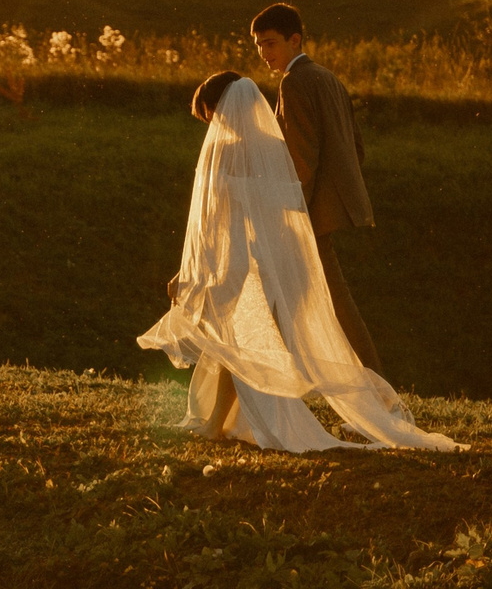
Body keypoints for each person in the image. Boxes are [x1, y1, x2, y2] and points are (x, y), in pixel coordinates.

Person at [138, 71, 455, 453]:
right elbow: (288, 205)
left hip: (241, 259)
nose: (212, 124)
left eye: (211, 115)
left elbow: (214, 224)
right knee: (236, 345)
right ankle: (214, 422)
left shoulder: (224, 152)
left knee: (233, 343)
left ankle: (215, 423)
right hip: (278, 259)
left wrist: (189, 273)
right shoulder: (274, 147)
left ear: (220, 108)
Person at [251, 2, 383, 374]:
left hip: (308, 214)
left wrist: (291, 215)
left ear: (295, 40)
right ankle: (265, 390)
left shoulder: (294, 82)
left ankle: (378, 395)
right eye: (259, 45)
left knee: (334, 307)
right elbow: (356, 148)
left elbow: (301, 160)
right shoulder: (328, 77)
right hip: (327, 208)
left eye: (271, 43)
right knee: (301, 302)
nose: (264, 53)